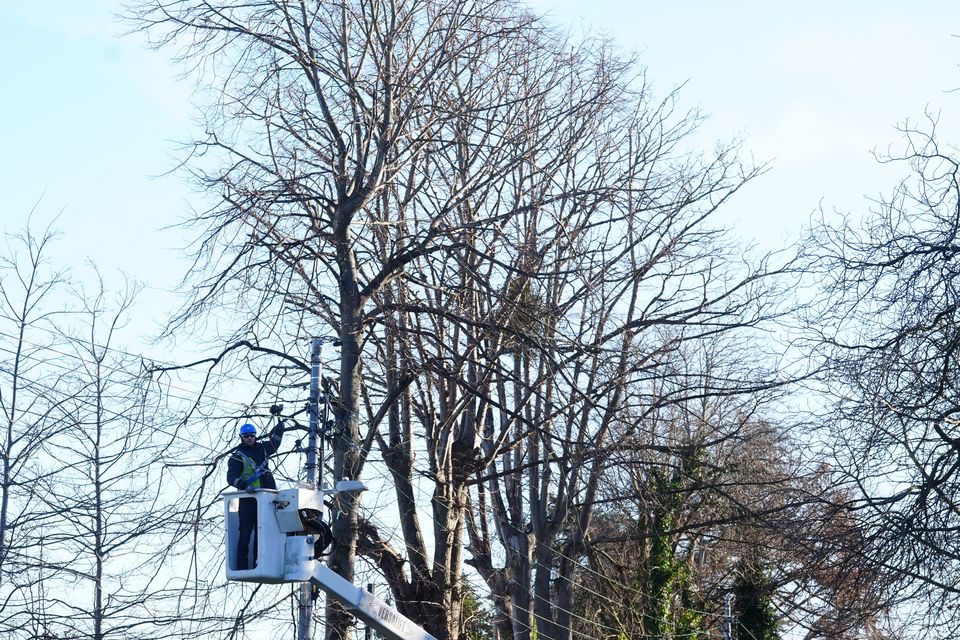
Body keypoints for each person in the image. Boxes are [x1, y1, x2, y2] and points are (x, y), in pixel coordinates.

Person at [227, 412, 285, 570]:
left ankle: (258, 563)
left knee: (262, 533)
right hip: (248, 500)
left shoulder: (262, 449)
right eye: (246, 436)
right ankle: (242, 565)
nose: (250, 438)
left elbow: (275, 442)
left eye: (252, 435)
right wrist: (244, 486)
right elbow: (231, 477)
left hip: (266, 499)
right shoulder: (237, 457)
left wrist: (279, 424)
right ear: (241, 438)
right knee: (245, 533)